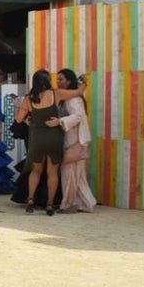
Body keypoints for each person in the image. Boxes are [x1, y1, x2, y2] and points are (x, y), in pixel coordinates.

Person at [13, 70, 87, 216]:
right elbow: (78, 93)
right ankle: (50, 204)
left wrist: (27, 117)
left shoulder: (29, 98)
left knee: (35, 171)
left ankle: (30, 200)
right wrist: (84, 83)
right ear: (48, 81)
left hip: (37, 139)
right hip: (54, 138)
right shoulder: (56, 94)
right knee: (52, 173)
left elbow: (19, 119)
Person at [55, 68, 97, 213]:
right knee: (77, 176)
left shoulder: (72, 99)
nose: (58, 82)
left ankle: (69, 204)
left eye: (61, 79)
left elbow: (77, 116)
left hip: (75, 140)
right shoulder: (71, 97)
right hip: (76, 138)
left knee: (69, 173)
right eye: (57, 79)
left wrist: (59, 121)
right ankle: (85, 203)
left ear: (69, 81)